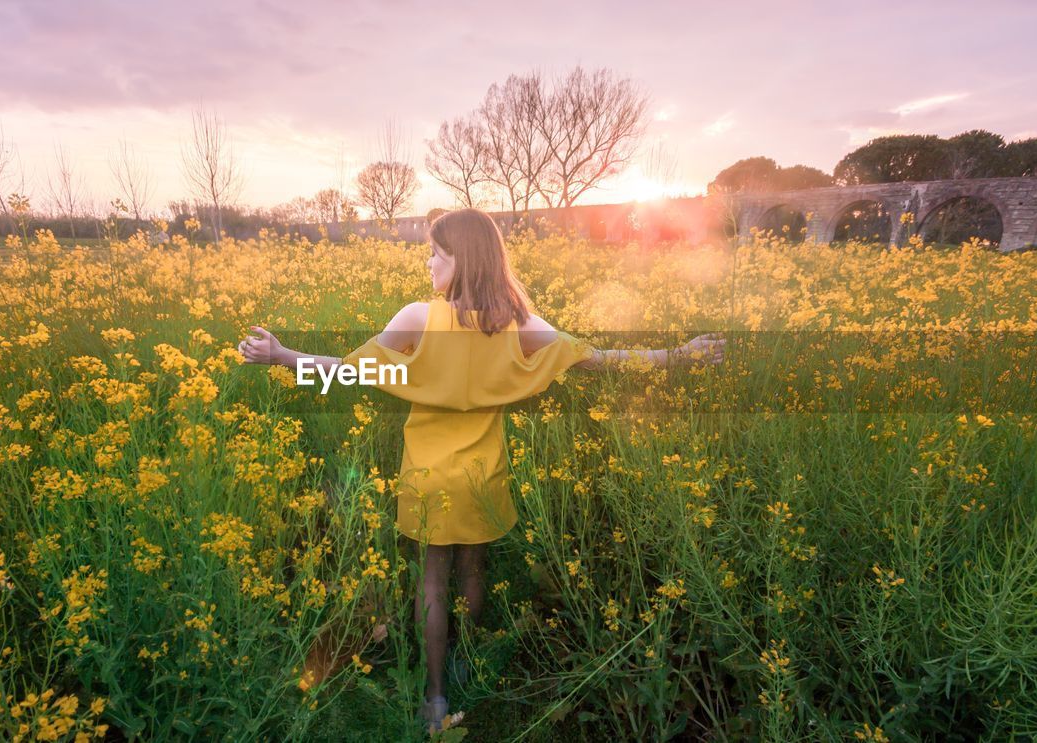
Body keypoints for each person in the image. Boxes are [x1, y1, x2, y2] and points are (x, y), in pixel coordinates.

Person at [238, 208, 725, 735]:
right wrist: (680, 355)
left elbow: (349, 369)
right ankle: (465, 658)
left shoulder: (418, 318)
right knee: (472, 572)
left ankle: (434, 695)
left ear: (462, 260)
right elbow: (596, 357)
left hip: (426, 476)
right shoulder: (515, 325)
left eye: (436, 255)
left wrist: (283, 355)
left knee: (431, 582)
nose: (428, 263)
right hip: (480, 476)